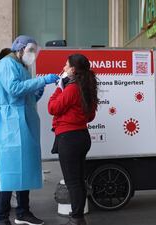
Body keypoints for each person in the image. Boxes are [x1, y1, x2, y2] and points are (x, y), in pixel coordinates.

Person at [0, 35, 59, 225]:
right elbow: (13, 89)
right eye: (30, 51)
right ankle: (1, 217)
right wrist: (42, 81)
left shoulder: (23, 68)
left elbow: (24, 96)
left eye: (34, 52)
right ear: (19, 48)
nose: (32, 55)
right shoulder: (7, 64)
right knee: (9, 171)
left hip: (24, 121)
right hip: (11, 123)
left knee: (25, 168)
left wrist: (35, 94)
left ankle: (23, 212)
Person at [48, 54, 98, 225]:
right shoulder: (87, 87)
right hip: (82, 137)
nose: (63, 68)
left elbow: (52, 108)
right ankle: (77, 215)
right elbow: (90, 116)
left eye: (66, 65)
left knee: (72, 181)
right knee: (78, 179)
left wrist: (58, 88)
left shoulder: (71, 88)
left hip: (69, 139)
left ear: (73, 69)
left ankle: (77, 218)